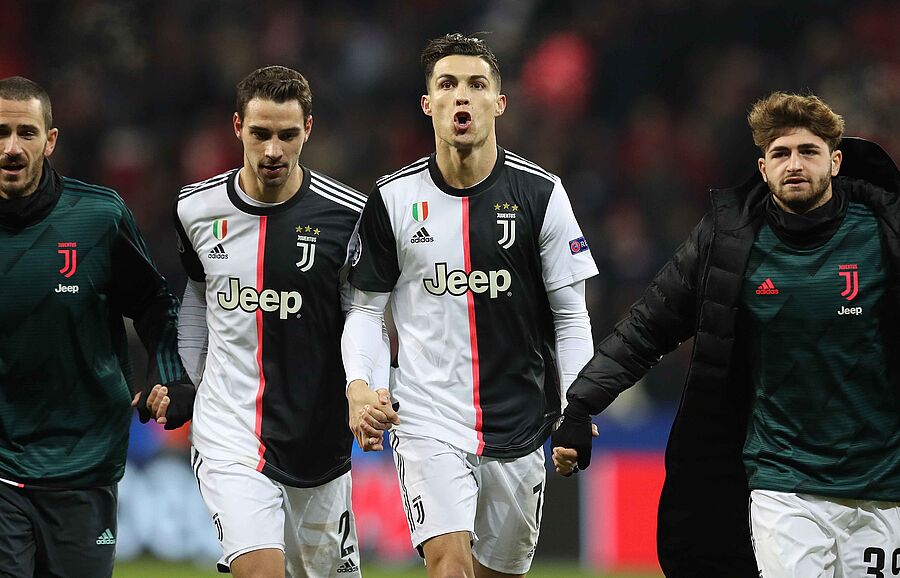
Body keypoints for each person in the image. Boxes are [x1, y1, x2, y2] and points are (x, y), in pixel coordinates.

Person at [552, 92, 900, 577]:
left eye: (808, 151)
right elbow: (647, 327)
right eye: (780, 153)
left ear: (835, 161)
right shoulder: (729, 239)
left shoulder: (884, 232)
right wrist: (580, 405)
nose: (794, 164)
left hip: (882, 485)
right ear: (763, 167)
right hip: (784, 484)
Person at [341, 33, 599, 578]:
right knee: (449, 566)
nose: (462, 96)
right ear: (427, 103)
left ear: (499, 103)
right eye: (447, 84)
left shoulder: (542, 195)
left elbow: (571, 316)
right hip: (426, 415)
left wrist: (577, 405)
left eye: (477, 84)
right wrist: (360, 385)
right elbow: (365, 312)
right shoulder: (392, 199)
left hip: (520, 419)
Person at [174, 65, 382, 578]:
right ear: (237, 127)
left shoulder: (348, 216)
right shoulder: (196, 209)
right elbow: (197, 298)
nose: (273, 151)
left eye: (287, 135)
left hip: (317, 439)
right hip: (229, 429)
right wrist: (185, 380)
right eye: (260, 133)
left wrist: (362, 386)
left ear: (308, 129)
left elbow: (363, 312)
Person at [0, 76, 193, 578]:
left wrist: (170, 377)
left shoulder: (97, 217)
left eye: (26, 132)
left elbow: (155, 304)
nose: (12, 147)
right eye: (1, 133)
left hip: (83, 463)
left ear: (50, 140)